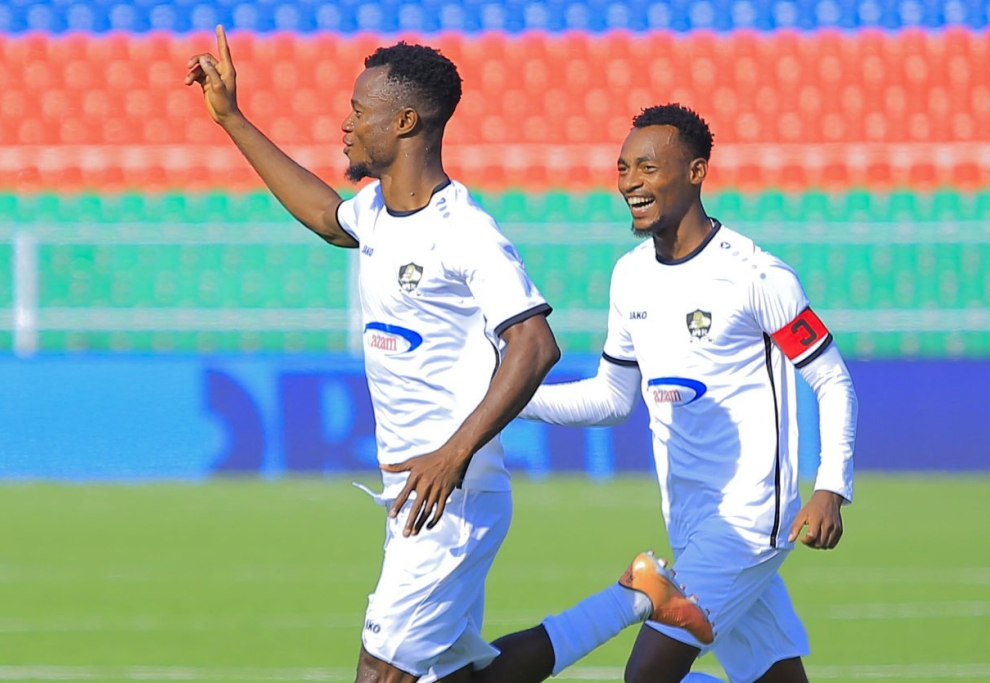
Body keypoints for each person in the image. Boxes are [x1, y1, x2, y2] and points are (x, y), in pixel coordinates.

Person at [185, 29, 712, 683]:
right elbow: (325, 216)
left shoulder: (465, 232)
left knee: (381, 674)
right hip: (415, 496)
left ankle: (640, 599)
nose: (346, 124)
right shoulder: (376, 211)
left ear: (405, 122)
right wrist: (231, 118)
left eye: (359, 110)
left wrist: (452, 454)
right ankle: (638, 595)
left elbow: (535, 344)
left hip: (450, 499)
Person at [520, 103, 859, 683]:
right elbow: (611, 398)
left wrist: (831, 487)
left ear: (696, 171)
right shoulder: (630, 274)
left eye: (648, 167)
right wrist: (511, 402)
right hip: (690, 523)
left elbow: (832, 379)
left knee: (647, 676)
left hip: (748, 522)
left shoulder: (755, 275)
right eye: (624, 168)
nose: (630, 182)